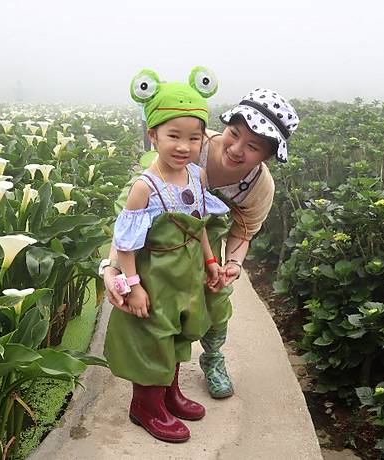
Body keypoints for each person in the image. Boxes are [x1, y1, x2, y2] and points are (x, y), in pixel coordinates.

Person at [101, 85, 300, 401]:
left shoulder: (260, 186)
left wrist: (230, 264)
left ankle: (213, 357)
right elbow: (131, 212)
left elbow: (243, 232)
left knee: (216, 303)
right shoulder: (190, 142)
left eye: (253, 147)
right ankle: (153, 392)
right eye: (234, 134)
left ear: (268, 156)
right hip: (158, 244)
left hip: (204, 244)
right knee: (159, 311)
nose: (236, 149)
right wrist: (113, 267)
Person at [104, 67, 231, 443]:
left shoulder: (195, 175)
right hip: (155, 273)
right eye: (173, 135)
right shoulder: (145, 187)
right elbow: (126, 243)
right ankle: (146, 405)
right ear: (153, 134)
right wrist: (133, 285)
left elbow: (199, 224)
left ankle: (170, 393)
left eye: (194, 137)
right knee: (153, 336)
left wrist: (210, 262)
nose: (184, 146)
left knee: (181, 329)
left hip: (187, 272)